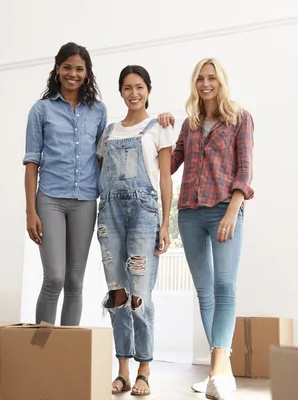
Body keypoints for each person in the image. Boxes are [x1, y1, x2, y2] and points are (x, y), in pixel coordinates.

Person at [161, 58, 254, 400]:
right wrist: (164, 131)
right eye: (200, 78)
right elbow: (169, 165)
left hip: (223, 211)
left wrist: (233, 209)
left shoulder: (239, 118)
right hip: (189, 214)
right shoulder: (190, 124)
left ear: (221, 81)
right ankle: (222, 373)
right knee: (205, 292)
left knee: (225, 286)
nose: (205, 84)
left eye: (211, 78)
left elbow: (245, 169)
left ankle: (216, 369)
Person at [96, 65, 174, 396]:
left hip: (144, 214)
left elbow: (166, 178)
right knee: (117, 294)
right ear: (121, 92)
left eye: (139, 87)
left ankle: (144, 368)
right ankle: (123, 369)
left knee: (140, 296)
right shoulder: (109, 131)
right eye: (127, 88)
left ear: (148, 90)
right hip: (110, 214)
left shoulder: (159, 128)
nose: (134, 93)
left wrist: (166, 223)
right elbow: (100, 174)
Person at [23, 42, 107, 327]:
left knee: (74, 280)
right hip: (49, 200)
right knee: (55, 277)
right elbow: (32, 161)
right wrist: (30, 211)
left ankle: (67, 353)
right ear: (58, 70)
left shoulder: (98, 111)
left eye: (79, 69)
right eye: (67, 67)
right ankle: (41, 351)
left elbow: (100, 158)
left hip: (85, 200)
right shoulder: (41, 110)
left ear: (87, 73)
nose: (73, 73)